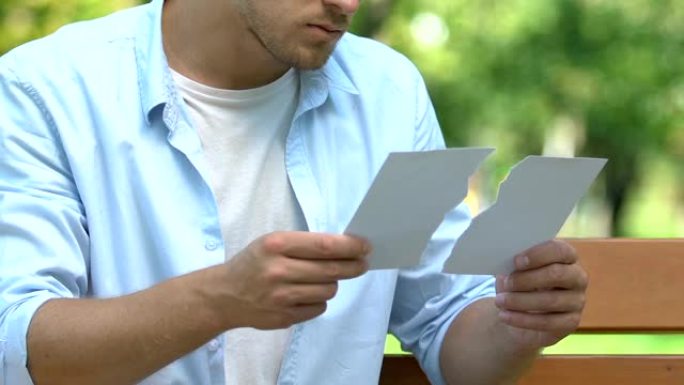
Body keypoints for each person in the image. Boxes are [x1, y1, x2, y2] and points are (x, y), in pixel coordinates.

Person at [0, 0, 589, 384]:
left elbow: (445, 327)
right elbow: (21, 346)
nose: (348, 5)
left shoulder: (388, 92)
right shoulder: (45, 91)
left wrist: (517, 324)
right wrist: (223, 298)